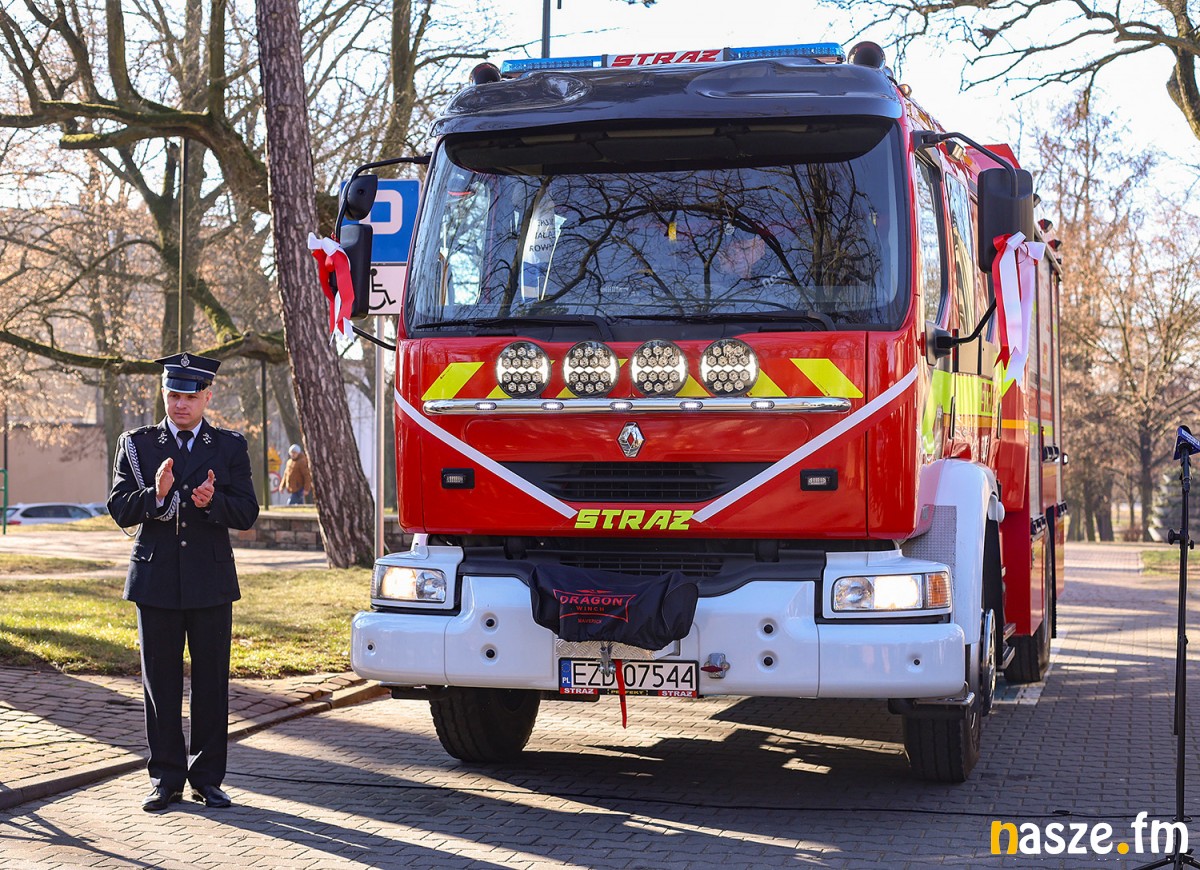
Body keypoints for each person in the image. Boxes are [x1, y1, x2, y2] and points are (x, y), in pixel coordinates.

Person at [107, 352, 259, 812]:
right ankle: (166, 778)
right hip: (155, 580)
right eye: (173, 394)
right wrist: (154, 495)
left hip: (210, 581)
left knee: (211, 684)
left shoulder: (228, 446)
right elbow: (119, 508)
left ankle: (207, 779)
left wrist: (213, 503)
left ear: (207, 397)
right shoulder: (137, 444)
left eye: (190, 397)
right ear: (163, 394)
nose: (180, 404)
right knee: (161, 685)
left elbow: (246, 512)